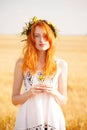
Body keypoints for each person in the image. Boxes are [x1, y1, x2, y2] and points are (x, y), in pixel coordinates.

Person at [12, 16, 68, 130]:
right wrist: (29, 93)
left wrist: (54, 92)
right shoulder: (21, 63)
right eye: (36, 36)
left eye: (45, 35)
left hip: (52, 118)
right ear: (32, 39)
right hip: (27, 118)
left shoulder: (61, 64)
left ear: (51, 38)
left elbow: (63, 101)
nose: (41, 40)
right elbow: (14, 99)